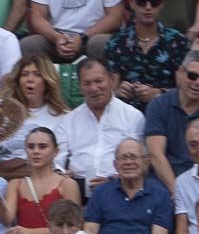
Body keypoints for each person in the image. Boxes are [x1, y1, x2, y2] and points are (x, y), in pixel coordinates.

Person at [0, 125, 80, 234]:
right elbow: (6, 218)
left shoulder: (67, 184)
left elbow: (75, 230)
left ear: (55, 152)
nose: (36, 151)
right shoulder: (16, 183)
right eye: (31, 147)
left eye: (42, 147)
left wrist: (30, 233)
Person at [83, 138, 171, 234]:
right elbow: (89, 233)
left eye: (133, 157)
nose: (128, 162)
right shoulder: (101, 192)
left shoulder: (160, 193)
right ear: (115, 165)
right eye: (123, 158)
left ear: (146, 163)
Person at [144, 50, 199, 193]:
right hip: (163, 180)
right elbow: (156, 155)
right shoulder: (158, 105)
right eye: (192, 76)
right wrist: (178, 192)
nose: (197, 83)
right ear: (180, 73)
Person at [58, 59, 145, 191]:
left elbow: (141, 162)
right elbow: (57, 160)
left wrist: (113, 180)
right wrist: (61, 174)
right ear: (80, 86)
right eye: (86, 83)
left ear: (111, 80)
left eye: (98, 81)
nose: (93, 88)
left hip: (121, 188)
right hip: (78, 190)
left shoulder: (133, 116)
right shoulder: (68, 120)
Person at [0, 53, 70, 178]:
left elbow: (57, 164)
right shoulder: (0, 108)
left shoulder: (62, 116)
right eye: (24, 74)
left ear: (47, 81)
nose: (30, 79)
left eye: (37, 74)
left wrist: (19, 166)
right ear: (18, 81)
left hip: (40, 180)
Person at [103, 0, 188, 112]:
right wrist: (118, 91)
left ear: (162, 3)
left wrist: (158, 94)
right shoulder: (115, 43)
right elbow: (109, 90)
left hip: (167, 113)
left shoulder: (178, 42)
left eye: (155, 2)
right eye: (141, 2)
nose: (148, 7)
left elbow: (187, 90)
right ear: (131, 3)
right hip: (126, 116)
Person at [22, 0, 123, 62]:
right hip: (55, 37)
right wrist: (56, 38)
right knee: (29, 44)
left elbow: (115, 17)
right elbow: (37, 18)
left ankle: (102, 86)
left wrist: (83, 38)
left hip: (92, 36)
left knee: (100, 43)